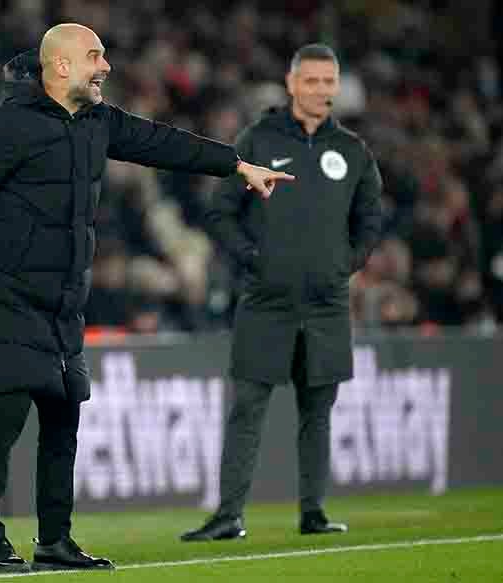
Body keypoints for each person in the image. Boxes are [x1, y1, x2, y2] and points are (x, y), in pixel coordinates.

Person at [0, 23, 293, 574]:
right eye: (95, 56)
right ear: (61, 66)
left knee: (63, 417)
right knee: (7, 415)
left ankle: (53, 541)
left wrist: (235, 163)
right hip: (1, 295)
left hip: (61, 301)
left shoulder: (95, 122)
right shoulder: (2, 126)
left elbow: (163, 143)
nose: (105, 66)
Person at [180, 43, 383, 543]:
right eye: (310, 81)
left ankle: (313, 511)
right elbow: (219, 210)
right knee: (247, 404)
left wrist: (346, 264)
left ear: (336, 87)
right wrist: (253, 259)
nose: (320, 90)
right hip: (266, 301)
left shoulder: (352, 151)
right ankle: (229, 515)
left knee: (319, 408)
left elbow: (371, 219)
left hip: (326, 303)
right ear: (292, 84)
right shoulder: (257, 138)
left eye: (328, 82)